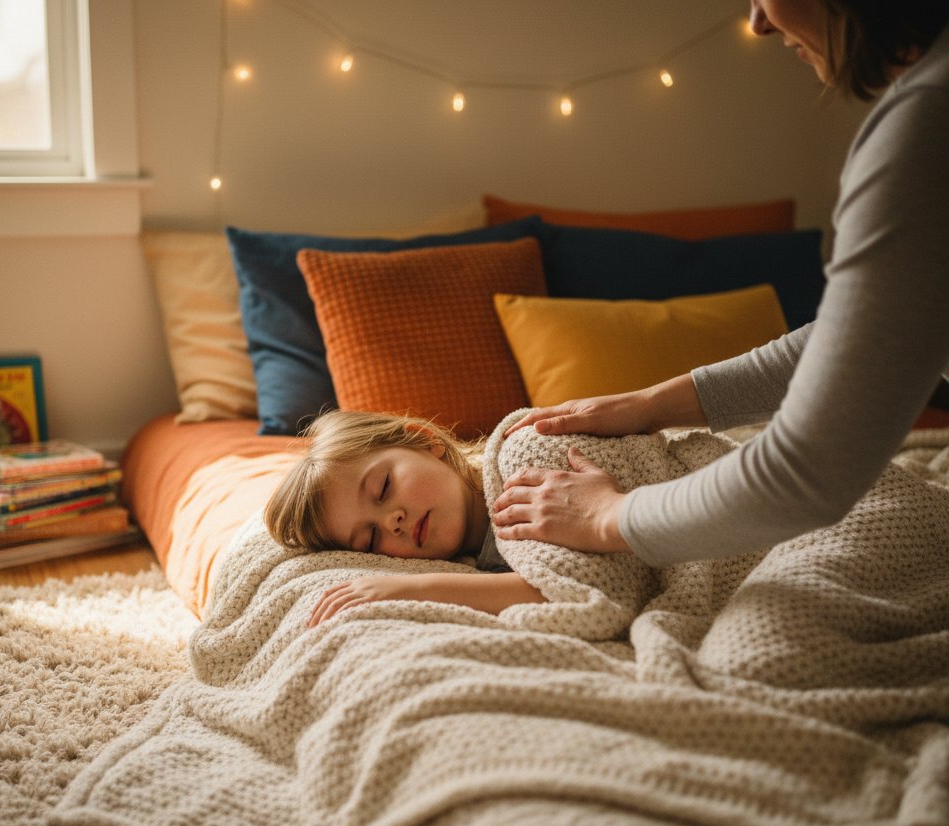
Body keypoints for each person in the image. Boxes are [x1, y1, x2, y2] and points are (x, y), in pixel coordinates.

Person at [492, 0, 949, 567]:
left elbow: (809, 471)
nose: (757, 22)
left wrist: (610, 515)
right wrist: (650, 405)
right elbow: (860, 339)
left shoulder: (924, 129)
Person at [266, 410, 545, 626]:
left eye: (383, 488)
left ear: (425, 440)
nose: (392, 522)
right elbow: (549, 588)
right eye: (370, 539)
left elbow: (556, 586)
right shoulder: (487, 563)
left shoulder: (524, 458)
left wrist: (413, 588)